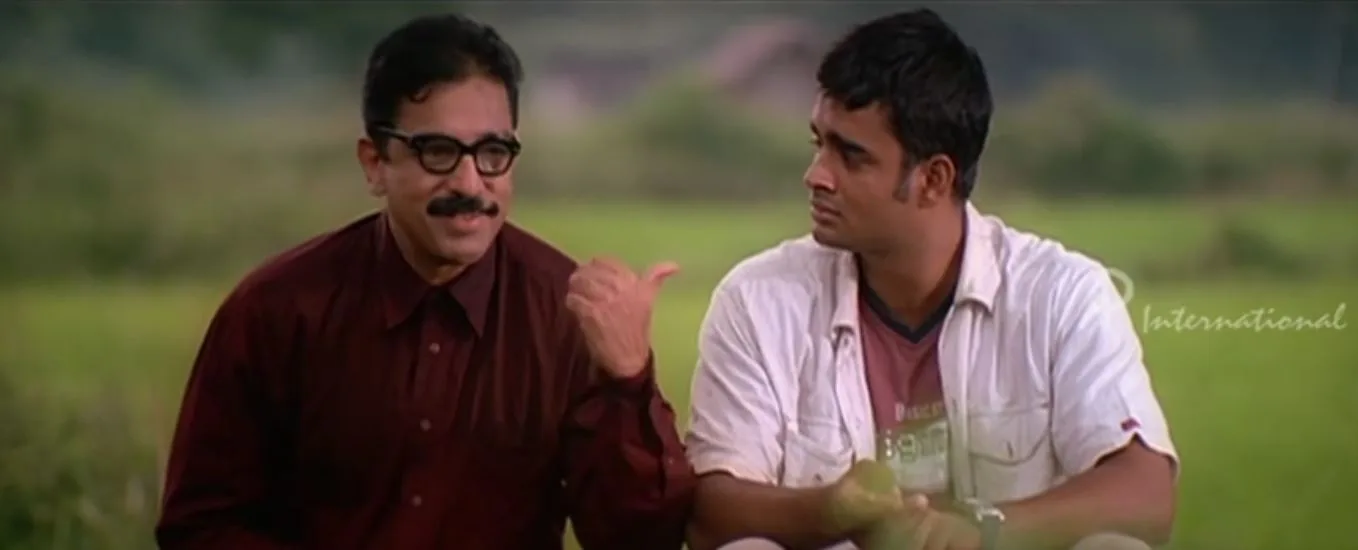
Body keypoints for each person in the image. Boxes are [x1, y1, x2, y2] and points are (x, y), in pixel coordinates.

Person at [155, 13, 694, 550]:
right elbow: (201, 524)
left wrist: (628, 380)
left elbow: (640, 541)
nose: (469, 184)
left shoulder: (564, 312)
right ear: (375, 163)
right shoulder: (277, 310)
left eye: (492, 154)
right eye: (438, 153)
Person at [684, 9, 1178, 550]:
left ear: (933, 179)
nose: (816, 175)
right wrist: (829, 510)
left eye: (851, 155)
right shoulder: (758, 300)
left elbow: (1146, 493)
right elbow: (710, 512)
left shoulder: (1063, 295)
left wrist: (981, 530)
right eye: (818, 144)